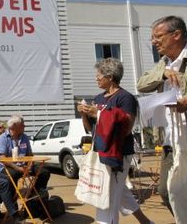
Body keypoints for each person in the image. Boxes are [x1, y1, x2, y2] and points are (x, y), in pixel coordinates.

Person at [78, 58, 153, 224]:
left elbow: (126, 129)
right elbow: (92, 129)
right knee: (120, 192)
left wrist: (98, 114)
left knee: (107, 197)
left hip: (118, 154)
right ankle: (146, 222)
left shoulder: (126, 98)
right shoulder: (98, 98)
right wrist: (84, 114)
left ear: (110, 77)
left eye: (99, 75)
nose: (96, 78)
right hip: (100, 152)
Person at [137, 15, 187, 218]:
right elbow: (141, 83)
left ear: (176, 35)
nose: (154, 41)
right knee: (166, 192)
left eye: (158, 36)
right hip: (170, 138)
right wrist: (163, 74)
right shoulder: (163, 63)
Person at [0, 115, 51, 197]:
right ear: (14, 126)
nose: (25, 126)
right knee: (13, 175)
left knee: (44, 172)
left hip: (24, 166)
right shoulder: (3, 138)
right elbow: (2, 159)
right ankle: (12, 201)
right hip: (9, 167)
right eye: (22, 125)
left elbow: (30, 155)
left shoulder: (24, 137)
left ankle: (34, 195)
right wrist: (18, 168)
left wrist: (29, 165)